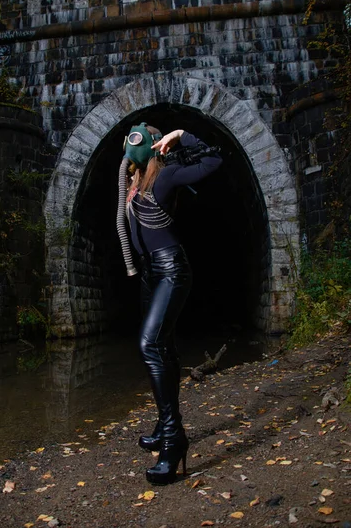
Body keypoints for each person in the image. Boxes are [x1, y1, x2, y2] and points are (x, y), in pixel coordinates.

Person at [116, 122, 223, 485]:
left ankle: (174, 441)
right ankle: (165, 425)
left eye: (139, 139)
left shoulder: (168, 173)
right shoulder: (132, 181)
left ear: (152, 144)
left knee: (150, 344)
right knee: (166, 348)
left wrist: (179, 135)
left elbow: (213, 161)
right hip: (149, 272)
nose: (132, 146)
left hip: (172, 269)